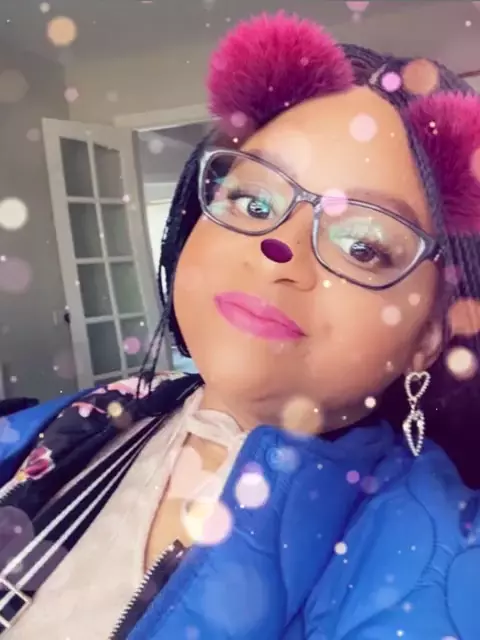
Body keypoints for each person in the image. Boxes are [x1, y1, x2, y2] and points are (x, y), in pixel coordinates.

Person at [1, 11, 480, 639]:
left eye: (363, 245)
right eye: (253, 201)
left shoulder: (441, 561)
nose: (278, 251)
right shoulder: (86, 419)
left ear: (429, 336)